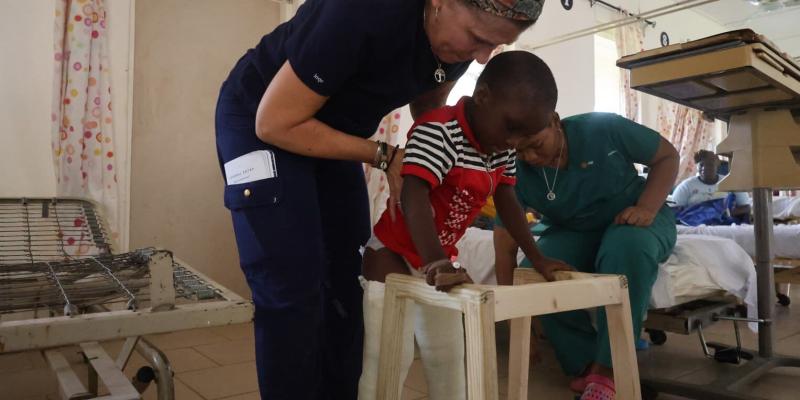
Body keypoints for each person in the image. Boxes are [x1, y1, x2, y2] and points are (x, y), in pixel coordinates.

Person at [214, 1, 544, 399]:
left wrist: (428, 169)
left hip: (335, 130)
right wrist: (384, 156)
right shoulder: (360, 11)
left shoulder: (455, 47)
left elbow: (428, 107)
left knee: (348, 283)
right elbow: (275, 122)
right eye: (477, 38)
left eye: (495, 47)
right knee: (292, 284)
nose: (481, 57)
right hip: (262, 118)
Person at [360, 51, 561, 400]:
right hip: (392, 255)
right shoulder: (438, 129)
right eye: (512, 128)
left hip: (438, 259)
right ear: (482, 97)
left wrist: (536, 256)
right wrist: (436, 260)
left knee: (448, 357)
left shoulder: (501, 146)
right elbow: (414, 197)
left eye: (524, 136)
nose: (514, 142)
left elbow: (508, 203)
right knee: (389, 357)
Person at [493, 109, 680, 399]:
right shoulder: (513, 170)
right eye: (520, 151)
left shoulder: (601, 128)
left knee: (626, 247)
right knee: (535, 272)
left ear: (554, 121)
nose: (528, 157)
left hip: (632, 216)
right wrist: (516, 323)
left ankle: (609, 370)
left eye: (535, 145)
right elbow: (504, 249)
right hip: (576, 230)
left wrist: (647, 207)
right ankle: (587, 365)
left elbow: (667, 156)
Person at [672, 149, 751, 221]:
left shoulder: (731, 182)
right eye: (701, 165)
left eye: (709, 164)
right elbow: (674, 211)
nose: (704, 168)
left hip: (725, 224)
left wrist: (725, 213)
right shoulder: (686, 186)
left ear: (717, 165)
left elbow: (746, 207)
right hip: (695, 225)